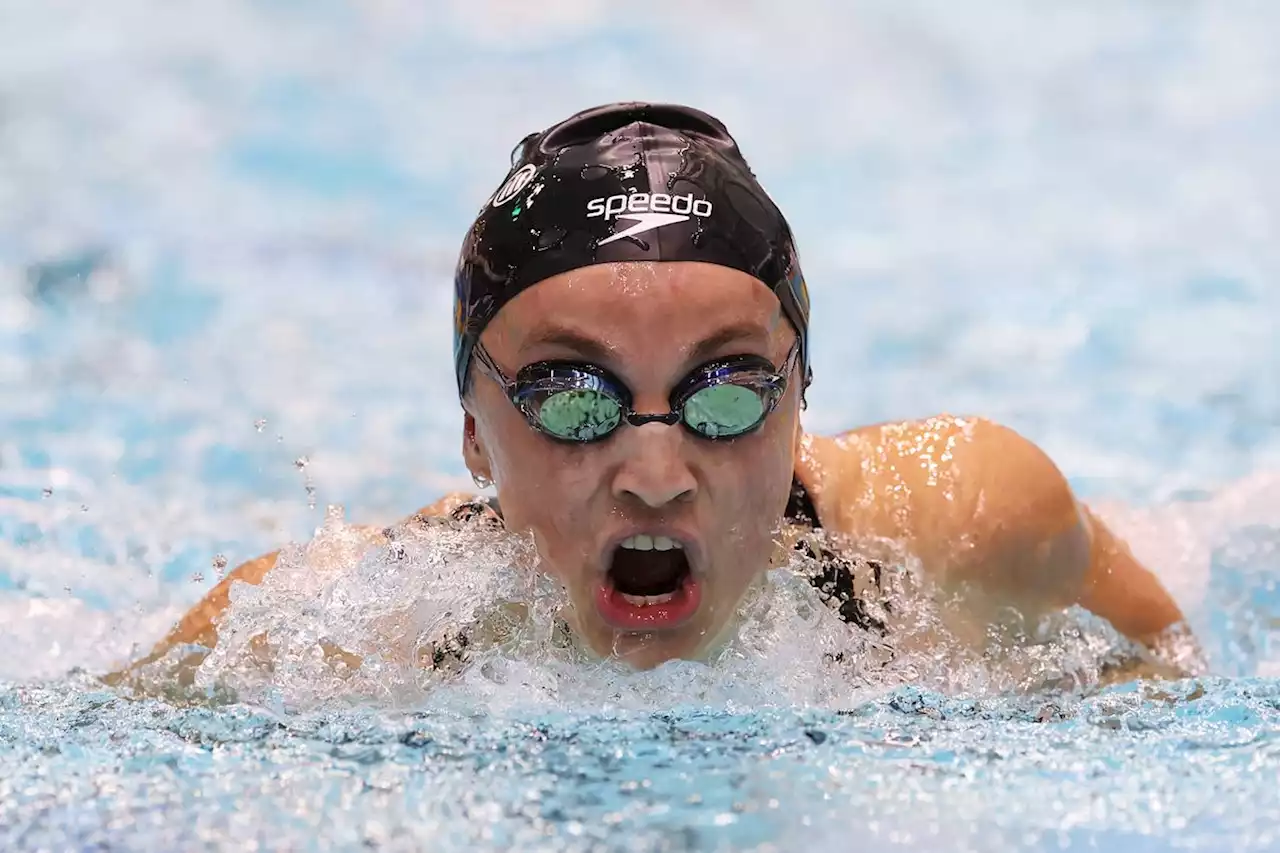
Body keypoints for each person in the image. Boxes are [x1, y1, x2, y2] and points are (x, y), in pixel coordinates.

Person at [121, 102, 1199, 684]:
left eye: (724, 392)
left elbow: (1166, 657)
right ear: (470, 434)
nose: (652, 476)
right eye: (572, 398)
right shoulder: (326, 634)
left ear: (798, 400)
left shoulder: (964, 517)